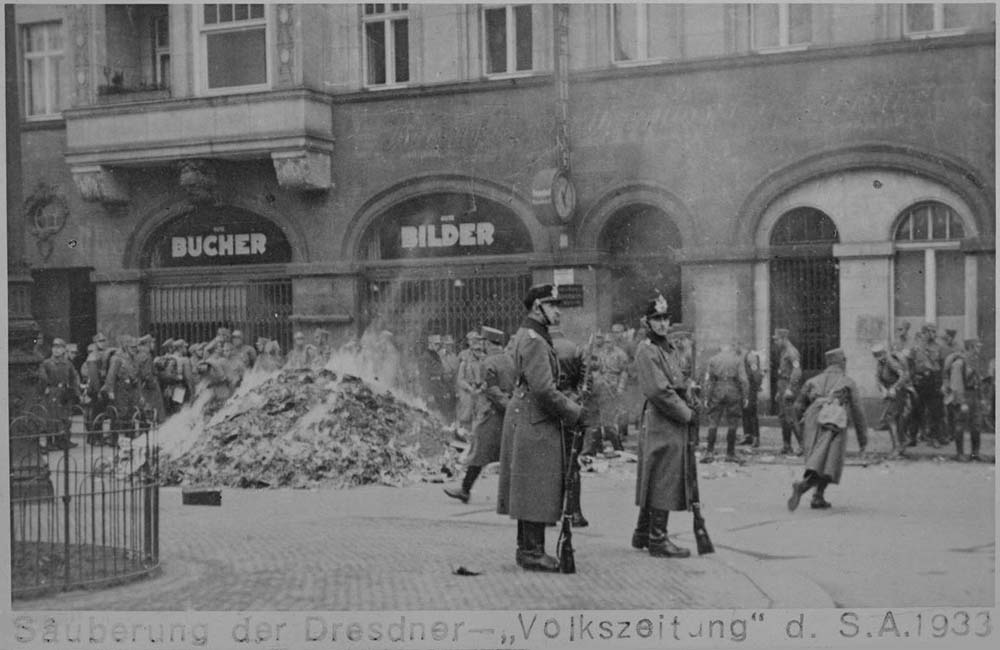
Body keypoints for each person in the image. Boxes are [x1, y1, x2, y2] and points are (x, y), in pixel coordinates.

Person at [497, 284, 582, 572]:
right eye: (553, 305)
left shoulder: (531, 335)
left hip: (529, 414)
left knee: (530, 485)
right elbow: (544, 389)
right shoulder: (534, 339)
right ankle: (532, 552)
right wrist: (573, 411)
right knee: (534, 485)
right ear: (537, 307)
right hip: (535, 418)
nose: (558, 310)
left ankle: (528, 549)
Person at [632, 294, 695, 558]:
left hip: (668, 419)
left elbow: (675, 380)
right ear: (646, 322)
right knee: (663, 477)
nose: (662, 324)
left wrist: (688, 389)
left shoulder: (666, 348)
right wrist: (686, 414)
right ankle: (658, 539)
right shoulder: (647, 349)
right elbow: (658, 390)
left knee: (657, 475)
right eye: (656, 319)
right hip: (662, 419)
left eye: (665, 318)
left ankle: (643, 532)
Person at [787, 348, 867, 511]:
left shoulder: (812, 381)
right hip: (834, 422)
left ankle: (818, 497)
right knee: (830, 461)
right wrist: (862, 439)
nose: (845, 363)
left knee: (818, 460)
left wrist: (800, 433)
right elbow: (858, 411)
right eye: (844, 360)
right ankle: (803, 487)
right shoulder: (848, 382)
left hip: (812, 420)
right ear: (841, 362)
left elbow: (797, 406)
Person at [445, 327, 515, 503]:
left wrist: (506, 406)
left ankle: (465, 490)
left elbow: (491, 390)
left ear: (489, 343)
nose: (481, 345)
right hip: (506, 413)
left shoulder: (488, 362)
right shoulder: (510, 360)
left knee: (479, 452)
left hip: (492, 414)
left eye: (483, 342)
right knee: (507, 455)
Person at [549, 325, 592, 526]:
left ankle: (551, 511)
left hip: (550, 409)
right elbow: (587, 380)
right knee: (571, 461)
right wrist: (578, 398)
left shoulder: (544, 347)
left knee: (550, 462)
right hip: (573, 406)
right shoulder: (575, 348)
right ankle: (575, 513)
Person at [702, 342, 749, 463]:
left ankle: (709, 452)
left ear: (720, 348)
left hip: (717, 389)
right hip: (733, 390)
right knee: (733, 422)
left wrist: (707, 397)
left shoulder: (713, 359)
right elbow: (743, 380)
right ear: (730, 348)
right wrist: (745, 396)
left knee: (713, 421)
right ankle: (730, 453)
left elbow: (708, 380)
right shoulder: (737, 359)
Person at [38, 338, 82, 450]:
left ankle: (64, 441)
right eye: (54, 347)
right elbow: (42, 377)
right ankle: (50, 442)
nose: (56, 350)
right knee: (52, 417)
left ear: (64, 350)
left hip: (65, 393)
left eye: (59, 348)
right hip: (52, 393)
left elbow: (74, 378)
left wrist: (75, 392)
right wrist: (46, 387)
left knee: (65, 417)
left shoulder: (68, 364)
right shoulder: (46, 363)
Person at [943, 338, 983, 462]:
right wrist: (962, 402)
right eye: (977, 346)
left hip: (974, 395)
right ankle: (960, 453)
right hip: (963, 396)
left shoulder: (974, 361)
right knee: (960, 425)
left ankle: (974, 453)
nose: (979, 349)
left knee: (976, 425)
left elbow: (977, 381)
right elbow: (956, 384)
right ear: (970, 347)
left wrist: (980, 398)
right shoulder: (959, 364)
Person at [872, 343, 910, 459]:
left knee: (891, 419)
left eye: (879, 355)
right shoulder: (881, 362)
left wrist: (894, 387)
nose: (878, 358)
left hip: (898, 393)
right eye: (876, 356)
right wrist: (883, 388)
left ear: (884, 353)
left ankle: (897, 447)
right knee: (895, 419)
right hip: (889, 392)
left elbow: (903, 375)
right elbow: (877, 377)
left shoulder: (890, 361)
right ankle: (902, 443)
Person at [102, 335, 144, 437]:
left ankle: (130, 436)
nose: (135, 349)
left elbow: (137, 377)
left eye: (136, 347)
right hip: (120, 389)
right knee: (120, 414)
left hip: (131, 390)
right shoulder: (117, 359)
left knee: (131, 413)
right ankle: (115, 439)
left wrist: (140, 394)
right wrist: (110, 391)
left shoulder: (134, 359)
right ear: (126, 347)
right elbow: (111, 375)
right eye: (132, 347)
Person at [911, 322, 946, 446]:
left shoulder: (939, 348)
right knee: (916, 410)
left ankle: (934, 438)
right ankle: (912, 437)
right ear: (924, 332)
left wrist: (942, 384)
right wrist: (911, 381)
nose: (933, 334)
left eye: (934, 332)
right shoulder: (916, 347)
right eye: (931, 331)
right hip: (919, 381)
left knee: (935, 411)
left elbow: (942, 367)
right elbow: (911, 366)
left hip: (933, 381)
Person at [772, 328, 804, 455]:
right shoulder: (784, 351)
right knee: (783, 417)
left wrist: (790, 388)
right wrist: (779, 391)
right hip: (782, 385)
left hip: (788, 386)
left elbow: (797, 371)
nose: (775, 342)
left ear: (784, 338)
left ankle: (803, 445)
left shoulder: (791, 351)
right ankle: (787, 445)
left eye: (777, 339)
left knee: (791, 417)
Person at [456, 331, 484, 432]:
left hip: (479, 390)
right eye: (473, 340)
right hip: (467, 391)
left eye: (477, 340)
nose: (478, 352)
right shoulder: (463, 356)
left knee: (480, 416)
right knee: (466, 415)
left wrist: (481, 388)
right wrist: (468, 388)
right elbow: (459, 378)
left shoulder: (483, 359)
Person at [739, 344, 764, 447]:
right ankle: (748, 435)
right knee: (745, 412)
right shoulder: (743, 356)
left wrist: (757, 386)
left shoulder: (750, 356)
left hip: (751, 387)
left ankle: (756, 438)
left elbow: (756, 374)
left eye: (735, 345)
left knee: (752, 412)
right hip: (745, 387)